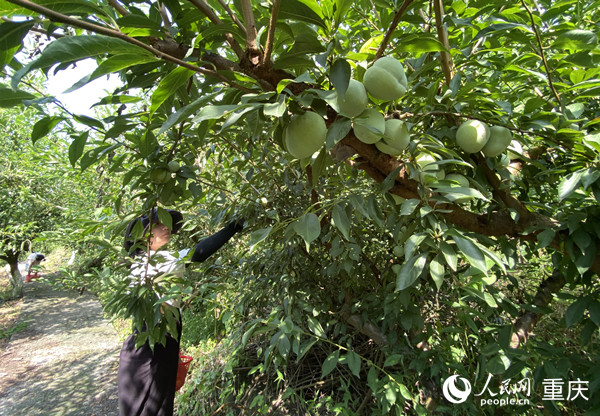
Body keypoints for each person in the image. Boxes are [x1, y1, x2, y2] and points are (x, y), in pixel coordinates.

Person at [118, 208, 243, 416]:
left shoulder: (146, 261)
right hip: (152, 348)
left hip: (150, 346)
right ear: (143, 234)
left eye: (165, 223)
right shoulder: (153, 262)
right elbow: (199, 253)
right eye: (158, 225)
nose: (166, 227)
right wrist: (234, 226)